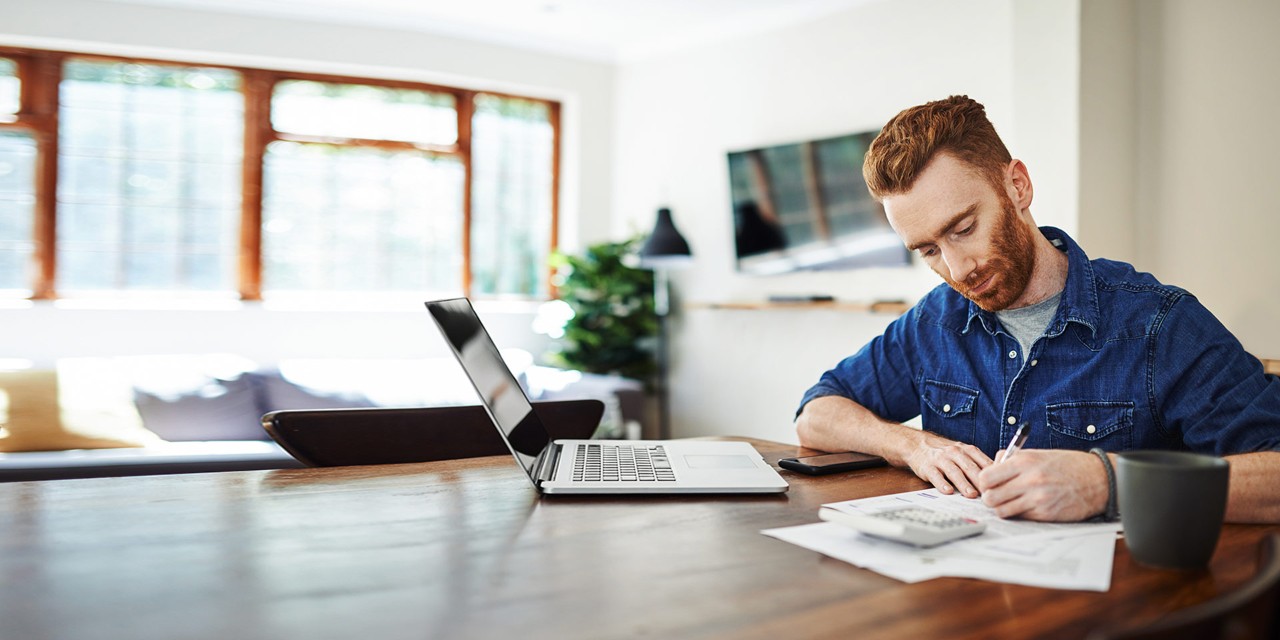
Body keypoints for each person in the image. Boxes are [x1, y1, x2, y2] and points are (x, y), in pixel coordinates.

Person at [795, 95, 1280, 523]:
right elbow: (815, 413)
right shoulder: (934, 321)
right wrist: (912, 445)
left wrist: (1106, 483)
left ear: (1018, 186)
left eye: (964, 229)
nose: (957, 268)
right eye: (928, 250)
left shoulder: (1158, 324)